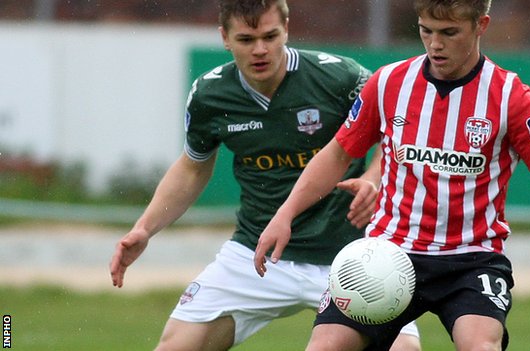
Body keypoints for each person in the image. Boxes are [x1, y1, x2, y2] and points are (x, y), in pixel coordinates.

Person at [254, 0, 530, 350]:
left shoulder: (512, 97)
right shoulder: (388, 83)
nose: (435, 44)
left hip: (472, 259)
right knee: (325, 346)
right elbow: (338, 153)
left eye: (449, 32)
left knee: (480, 346)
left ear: (481, 24)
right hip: (388, 253)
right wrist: (285, 213)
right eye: (426, 31)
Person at [109, 1, 422, 350]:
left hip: (349, 255)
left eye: (270, 36)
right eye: (246, 39)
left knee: (404, 348)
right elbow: (192, 167)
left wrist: (374, 177)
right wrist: (144, 228)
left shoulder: (338, 77)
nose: (260, 49)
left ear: (286, 29)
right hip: (256, 253)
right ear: (224, 38)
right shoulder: (210, 95)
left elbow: (397, 131)